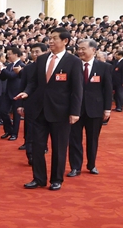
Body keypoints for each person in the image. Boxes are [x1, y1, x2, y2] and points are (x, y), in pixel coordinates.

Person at [15, 28, 84, 191]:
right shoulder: (42, 59)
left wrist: (75, 112)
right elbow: (33, 82)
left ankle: (56, 179)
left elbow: (77, 89)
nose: (50, 41)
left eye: (54, 38)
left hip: (61, 111)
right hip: (39, 109)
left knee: (59, 147)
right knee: (37, 146)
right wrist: (26, 92)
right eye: (50, 38)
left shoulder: (73, 61)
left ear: (65, 41)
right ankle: (38, 178)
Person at [67, 39, 113, 176]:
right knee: (74, 138)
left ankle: (91, 164)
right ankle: (75, 166)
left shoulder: (104, 67)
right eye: (79, 49)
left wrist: (107, 109)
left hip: (95, 109)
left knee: (93, 139)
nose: (80, 51)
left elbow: (108, 89)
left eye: (83, 49)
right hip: (75, 109)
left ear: (93, 50)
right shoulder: (72, 65)